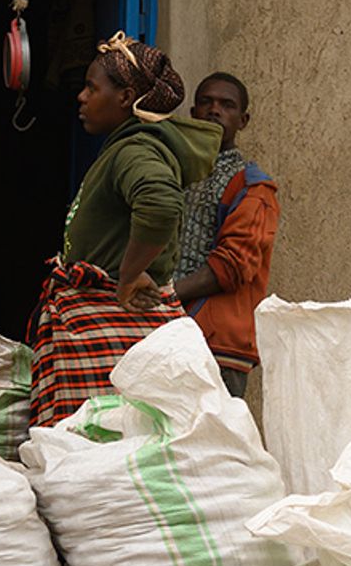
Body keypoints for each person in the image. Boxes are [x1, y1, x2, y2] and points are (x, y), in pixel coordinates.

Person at [27, 33, 220, 427]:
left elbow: (162, 202)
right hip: (108, 328)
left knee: (95, 451)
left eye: (91, 88)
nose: (81, 97)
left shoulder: (137, 150)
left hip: (114, 328)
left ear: (125, 96)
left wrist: (130, 275)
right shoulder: (125, 148)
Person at [170, 73, 279, 398]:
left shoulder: (253, 188)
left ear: (243, 120)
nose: (214, 110)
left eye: (227, 105)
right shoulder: (176, 173)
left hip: (217, 345)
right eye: (206, 102)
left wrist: (166, 295)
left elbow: (231, 267)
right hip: (169, 334)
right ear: (192, 112)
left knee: (212, 445)